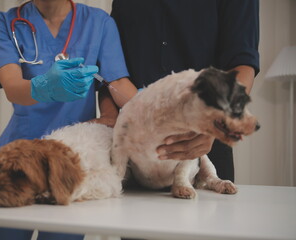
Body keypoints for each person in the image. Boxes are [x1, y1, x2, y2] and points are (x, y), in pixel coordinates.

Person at [0, 0, 137, 239]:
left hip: (70, 162)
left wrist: (161, 116)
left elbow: (117, 84)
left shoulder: (99, 23)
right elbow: (12, 87)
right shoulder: (6, 22)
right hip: (18, 159)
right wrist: (44, 86)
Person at [111, 0, 260, 183]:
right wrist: (111, 119)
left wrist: (213, 125)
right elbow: (112, 67)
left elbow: (242, 61)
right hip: (134, 154)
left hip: (204, 145)